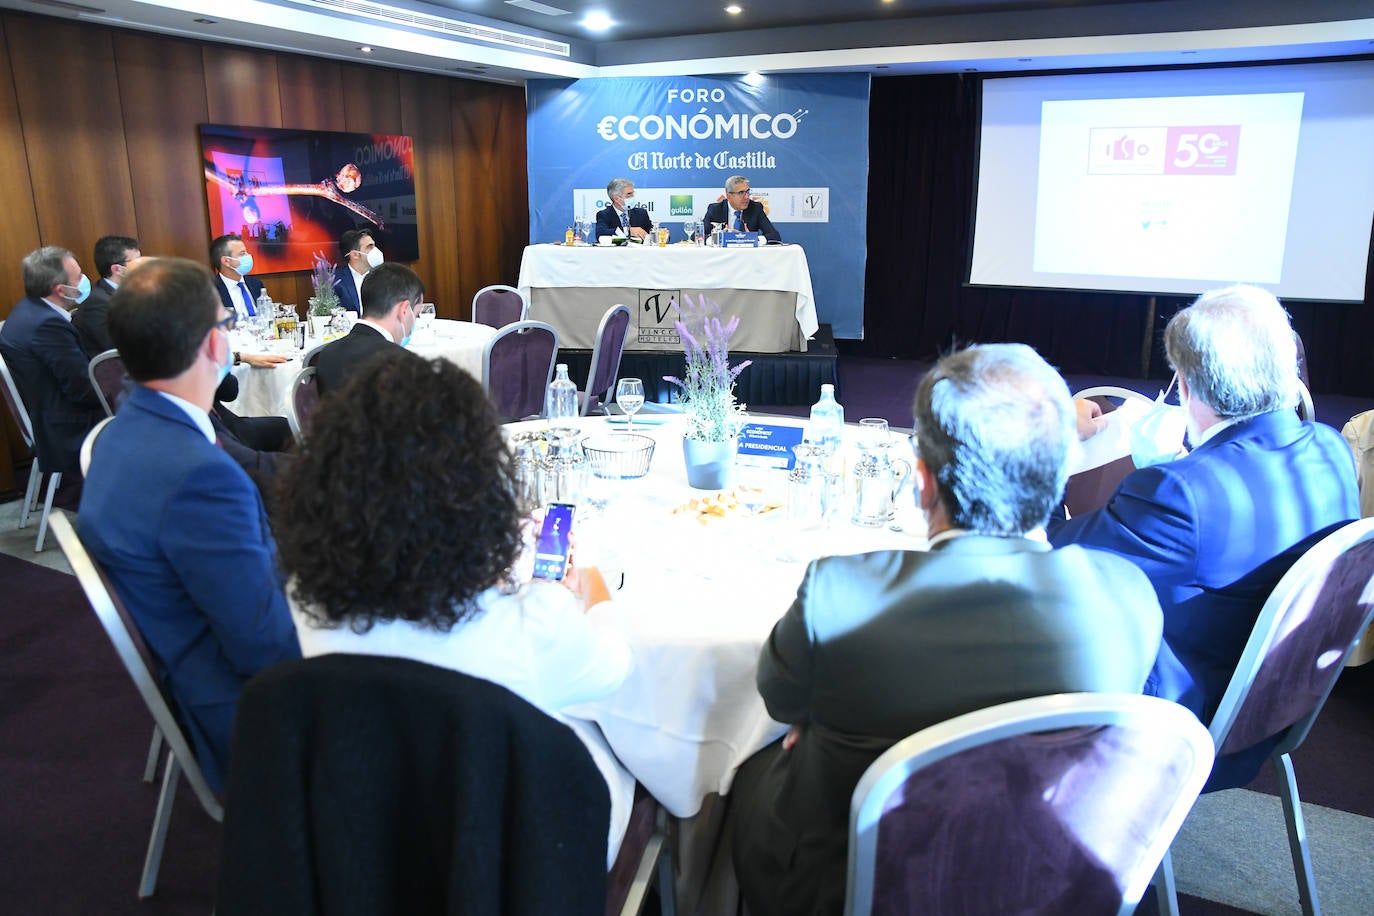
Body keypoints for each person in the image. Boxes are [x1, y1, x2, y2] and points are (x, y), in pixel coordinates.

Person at [730, 343, 1164, 916]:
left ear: (923, 482)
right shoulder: (1130, 597)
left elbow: (779, 699)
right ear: (1061, 472)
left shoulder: (841, 597)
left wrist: (819, 723)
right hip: (1042, 881)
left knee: (740, 768)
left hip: (852, 886)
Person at [273, 350, 634, 866]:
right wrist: (589, 580)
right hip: (502, 857)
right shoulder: (529, 628)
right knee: (628, 749)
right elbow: (613, 667)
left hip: (355, 838)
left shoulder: (306, 596)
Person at [1050, 284, 1358, 788]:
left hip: (1174, 727)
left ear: (1187, 386)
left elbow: (1048, 561)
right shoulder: (1331, 449)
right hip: (1272, 713)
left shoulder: (1180, 492)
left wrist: (1051, 451)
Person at [78, 257, 300, 793]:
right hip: (251, 713)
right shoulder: (199, 476)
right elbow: (268, 647)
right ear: (215, 343)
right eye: (226, 322)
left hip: (198, 665)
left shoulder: (125, 428)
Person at [0, 246, 106, 478]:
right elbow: (83, 391)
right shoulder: (47, 326)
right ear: (60, 290)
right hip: (71, 427)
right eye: (78, 277)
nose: (84, 280)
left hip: (52, 417)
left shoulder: (28, 310)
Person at [312, 262, 422, 396]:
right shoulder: (402, 363)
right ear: (403, 310)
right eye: (416, 314)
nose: (414, 322)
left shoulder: (327, 354)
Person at [209, 233, 287, 371]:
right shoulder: (210, 291)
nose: (248, 257)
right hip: (235, 359)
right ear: (226, 261)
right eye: (242, 254)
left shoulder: (256, 284)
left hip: (264, 348)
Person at [73, 235, 140, 358]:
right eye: (136, 263)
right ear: (117, 269)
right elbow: (119, 347)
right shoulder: (96, 303)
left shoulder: (137, 292)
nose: (143, 267)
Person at [702, 175, 781, 242]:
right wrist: (718, 238)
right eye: (741, 193)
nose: (747, 197)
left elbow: (774, 236)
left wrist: (751, 238)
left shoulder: (755, 208)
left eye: (747, 192)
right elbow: (700, 236)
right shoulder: (715, 209)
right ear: (729, 196)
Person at [332, 228, 382, 314]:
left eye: (374, 246)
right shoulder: (335, 280)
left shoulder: (383, 276)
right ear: (355, 254)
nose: (375, 250)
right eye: (369, 247)